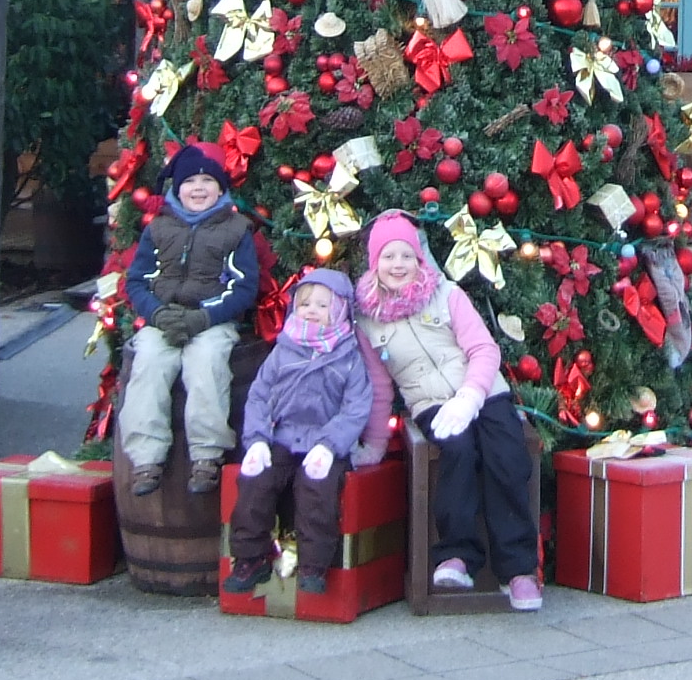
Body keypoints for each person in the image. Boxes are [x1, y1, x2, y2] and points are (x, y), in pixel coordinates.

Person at [351, 210, 544, 611]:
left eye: (406, 256)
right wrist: (373, 443)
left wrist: (471, 396)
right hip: (430, 403)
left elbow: (483, 349)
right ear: (375, 263)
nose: (398, 265)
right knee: (456, 451)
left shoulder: (446, 293)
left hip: (483, 393)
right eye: (389, 257)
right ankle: (457, 555)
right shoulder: (367, 319)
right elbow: (381, 386)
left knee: (506, 456)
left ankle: (518, 571)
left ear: (419, 259)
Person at [117, 142, 260, 496]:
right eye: (190, 182)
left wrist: (205, 318)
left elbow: (244, 288)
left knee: (207, 364)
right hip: (163, 318)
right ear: (177, 189)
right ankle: (146, 456)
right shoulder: (159, 228)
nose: (198, 188)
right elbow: (137, 280)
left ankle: (206, 454)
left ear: (221, 188)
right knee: (148, 363)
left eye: (207, 181)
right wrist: (157, 313)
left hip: (210, 320)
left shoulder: (236, 229)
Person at [224, 269, 375, 597]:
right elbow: (260, 396)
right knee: (255, 482)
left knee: (316, 489)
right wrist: (258, 440)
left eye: (322, 305)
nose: (311, 310)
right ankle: (250, 556)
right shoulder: (283, 349)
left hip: (323, 442)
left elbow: (355, 407)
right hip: (282, 437)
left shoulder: (348, 357)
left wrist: (331, 444)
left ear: (339, 311)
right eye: (305, 303)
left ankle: (314, 563)